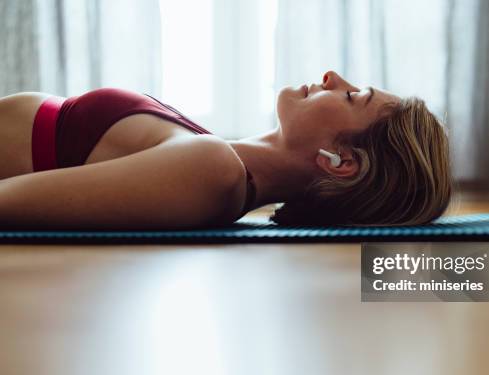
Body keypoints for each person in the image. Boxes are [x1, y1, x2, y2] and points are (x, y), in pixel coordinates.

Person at [0, 70, 451, 229]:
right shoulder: (214, 158)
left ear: (344, 162)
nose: (333, 78)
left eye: (354, 97)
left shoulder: (213, 171)